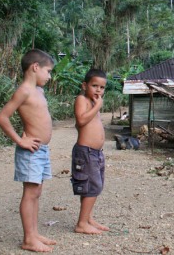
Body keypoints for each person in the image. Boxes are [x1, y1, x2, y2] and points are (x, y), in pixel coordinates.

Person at [0, 49, 56, 252]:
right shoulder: (24, 91)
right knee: (30, 193)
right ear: (35, 67)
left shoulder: (38, 90)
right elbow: (2, 117)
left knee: (36, 191)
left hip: (42, 150)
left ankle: (34, 232)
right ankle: (28, 238)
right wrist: (20, 141)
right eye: (48, 71)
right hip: (30, 151)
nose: (49, 76)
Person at [71, 68, 110, 234]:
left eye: (102, 88)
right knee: (92, 186)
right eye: (95, 86)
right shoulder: (82, 99)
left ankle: (88, 218)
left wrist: (97, 105)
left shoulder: (94, 102)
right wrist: (98, 106)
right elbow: (81, 120)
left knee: (92, 186)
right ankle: (81, 223)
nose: (98, 90)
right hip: (86, 152)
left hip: (95, 153)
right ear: (84, 85)